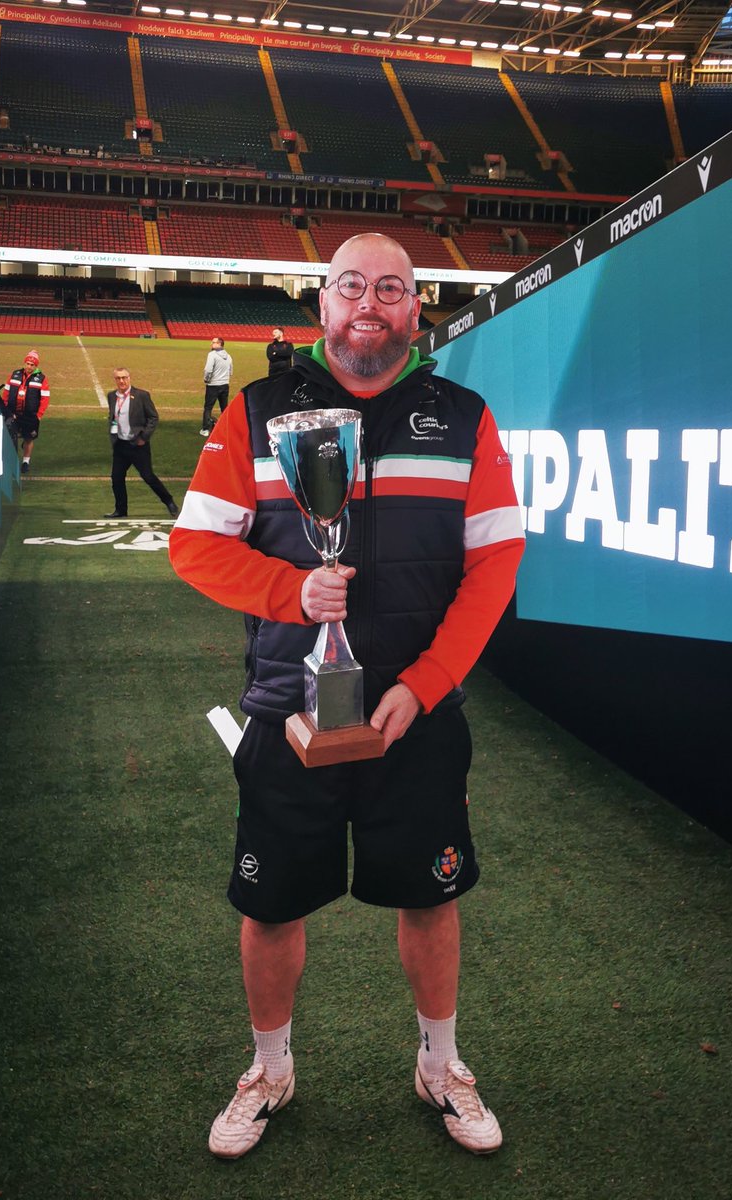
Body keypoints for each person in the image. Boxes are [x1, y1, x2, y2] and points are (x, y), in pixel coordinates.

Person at [169, 233, 524, 1160]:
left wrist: (427, 683)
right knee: (271, 905)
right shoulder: (255, 411)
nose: (372, 303)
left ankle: (439, 1062)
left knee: (431, 898)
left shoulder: (466, 416)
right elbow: (196, 544)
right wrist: (291, 593)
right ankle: (270, 1066)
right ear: (322, 304)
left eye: (393, 288)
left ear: (418, 306)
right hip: (290, 710)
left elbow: (494, 566)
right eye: (352, 286)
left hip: (418, 716)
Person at [104, 367, 179, 519]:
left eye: (124, 377)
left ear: (129, 378)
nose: (122, 381)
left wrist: (143, 437)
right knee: (116, 478)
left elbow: (153, 417)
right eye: (118, 378)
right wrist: (113, 436)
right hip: (120, 445)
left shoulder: (141, 395)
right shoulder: (112, 396)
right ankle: (121, 509)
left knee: (148, 476)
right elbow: (112, 417)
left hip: (138, 445)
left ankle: (169, 502)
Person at [2, 349, 49, 475]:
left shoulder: (41, 379)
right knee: (11, 436)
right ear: (25, 363)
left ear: (36, 365)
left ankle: (25, 462)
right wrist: (5, 410)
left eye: (32, 364)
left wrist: (39, 415)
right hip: (13, 413)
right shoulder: (15, 374)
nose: (29, 366)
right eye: (27, 363)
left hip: (30, 415)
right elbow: (6, 392)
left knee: (28, 438)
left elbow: (45, 398)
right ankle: (10, 461)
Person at [200, 336, 233, 436]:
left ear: (219, 344)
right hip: (225, 384)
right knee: (224, 408)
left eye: (214, 342)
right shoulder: (228, 356)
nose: (211, 344)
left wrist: (206, 379)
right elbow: (231, 371)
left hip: (213, 385)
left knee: (208, 407)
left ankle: (205, 429)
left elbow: (208, 369)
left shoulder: (212, 355)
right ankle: (226, 428)